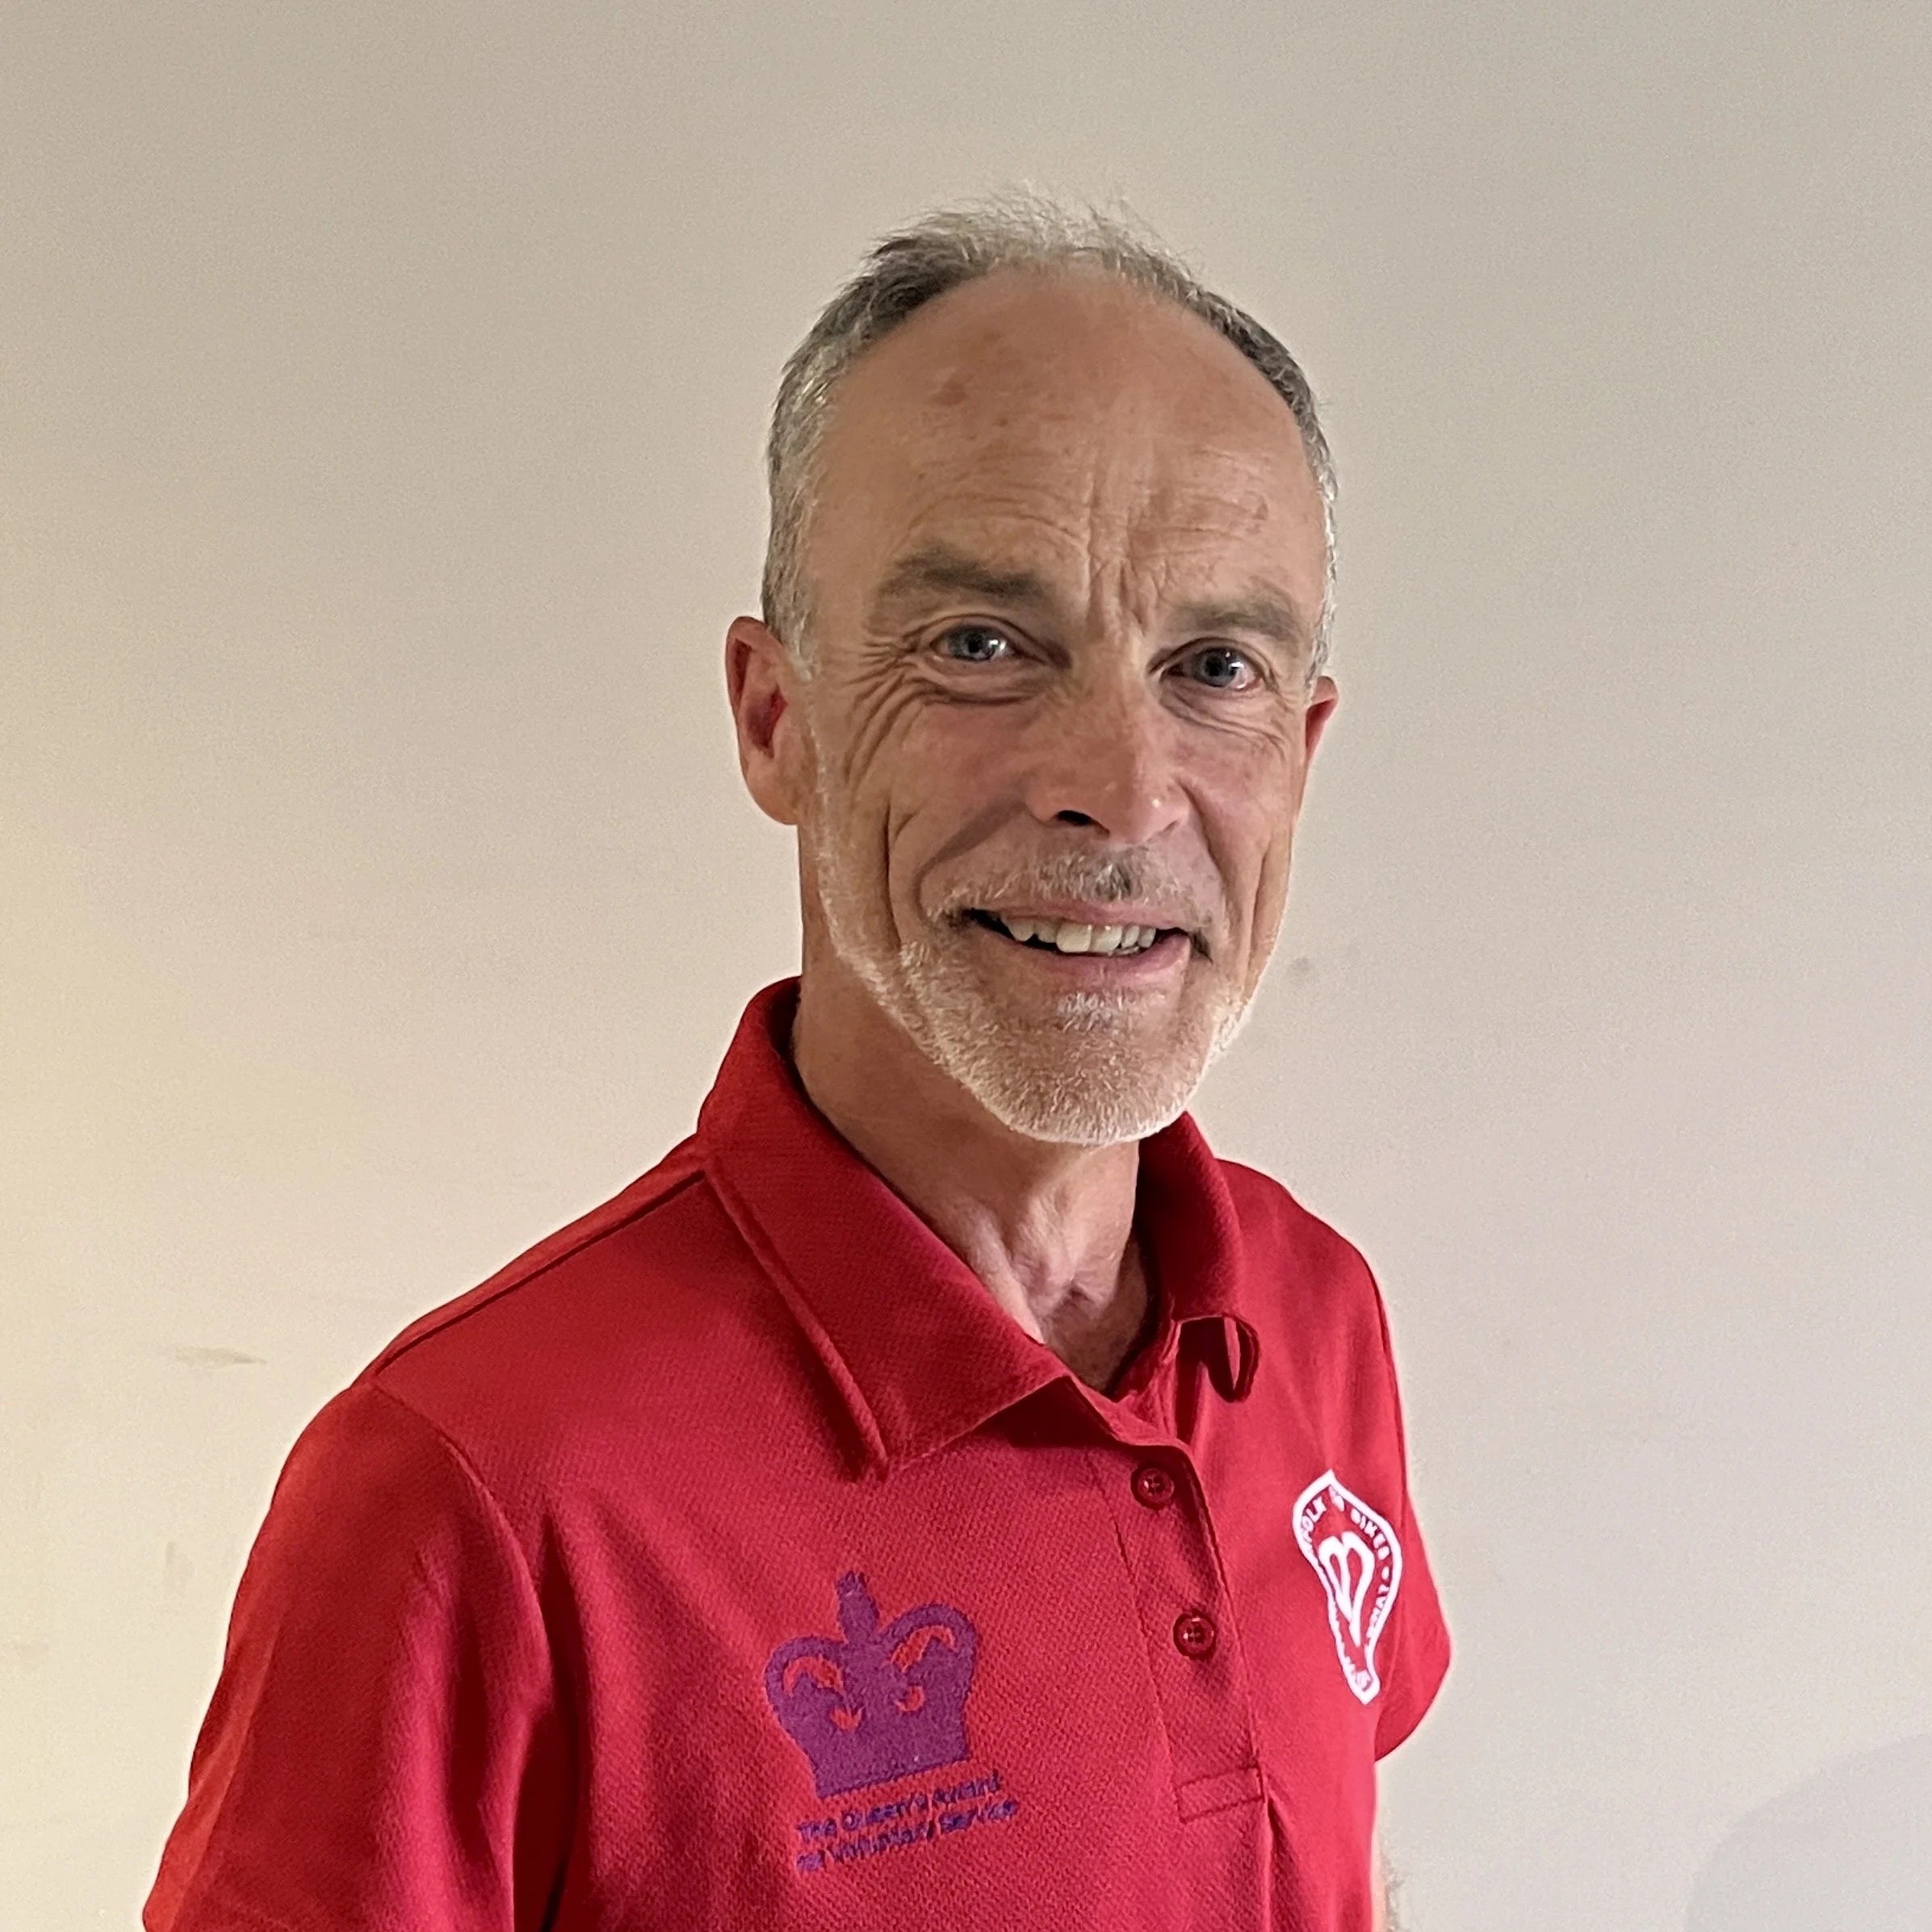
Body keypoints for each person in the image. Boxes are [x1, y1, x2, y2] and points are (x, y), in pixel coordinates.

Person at [145, 195, 1449, 1932]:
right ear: (777, 718)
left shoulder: (1313, 1315)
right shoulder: (465, 1492)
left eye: (1210, 666)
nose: (1122, 791)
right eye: (981, 646)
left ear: (1300, 744)